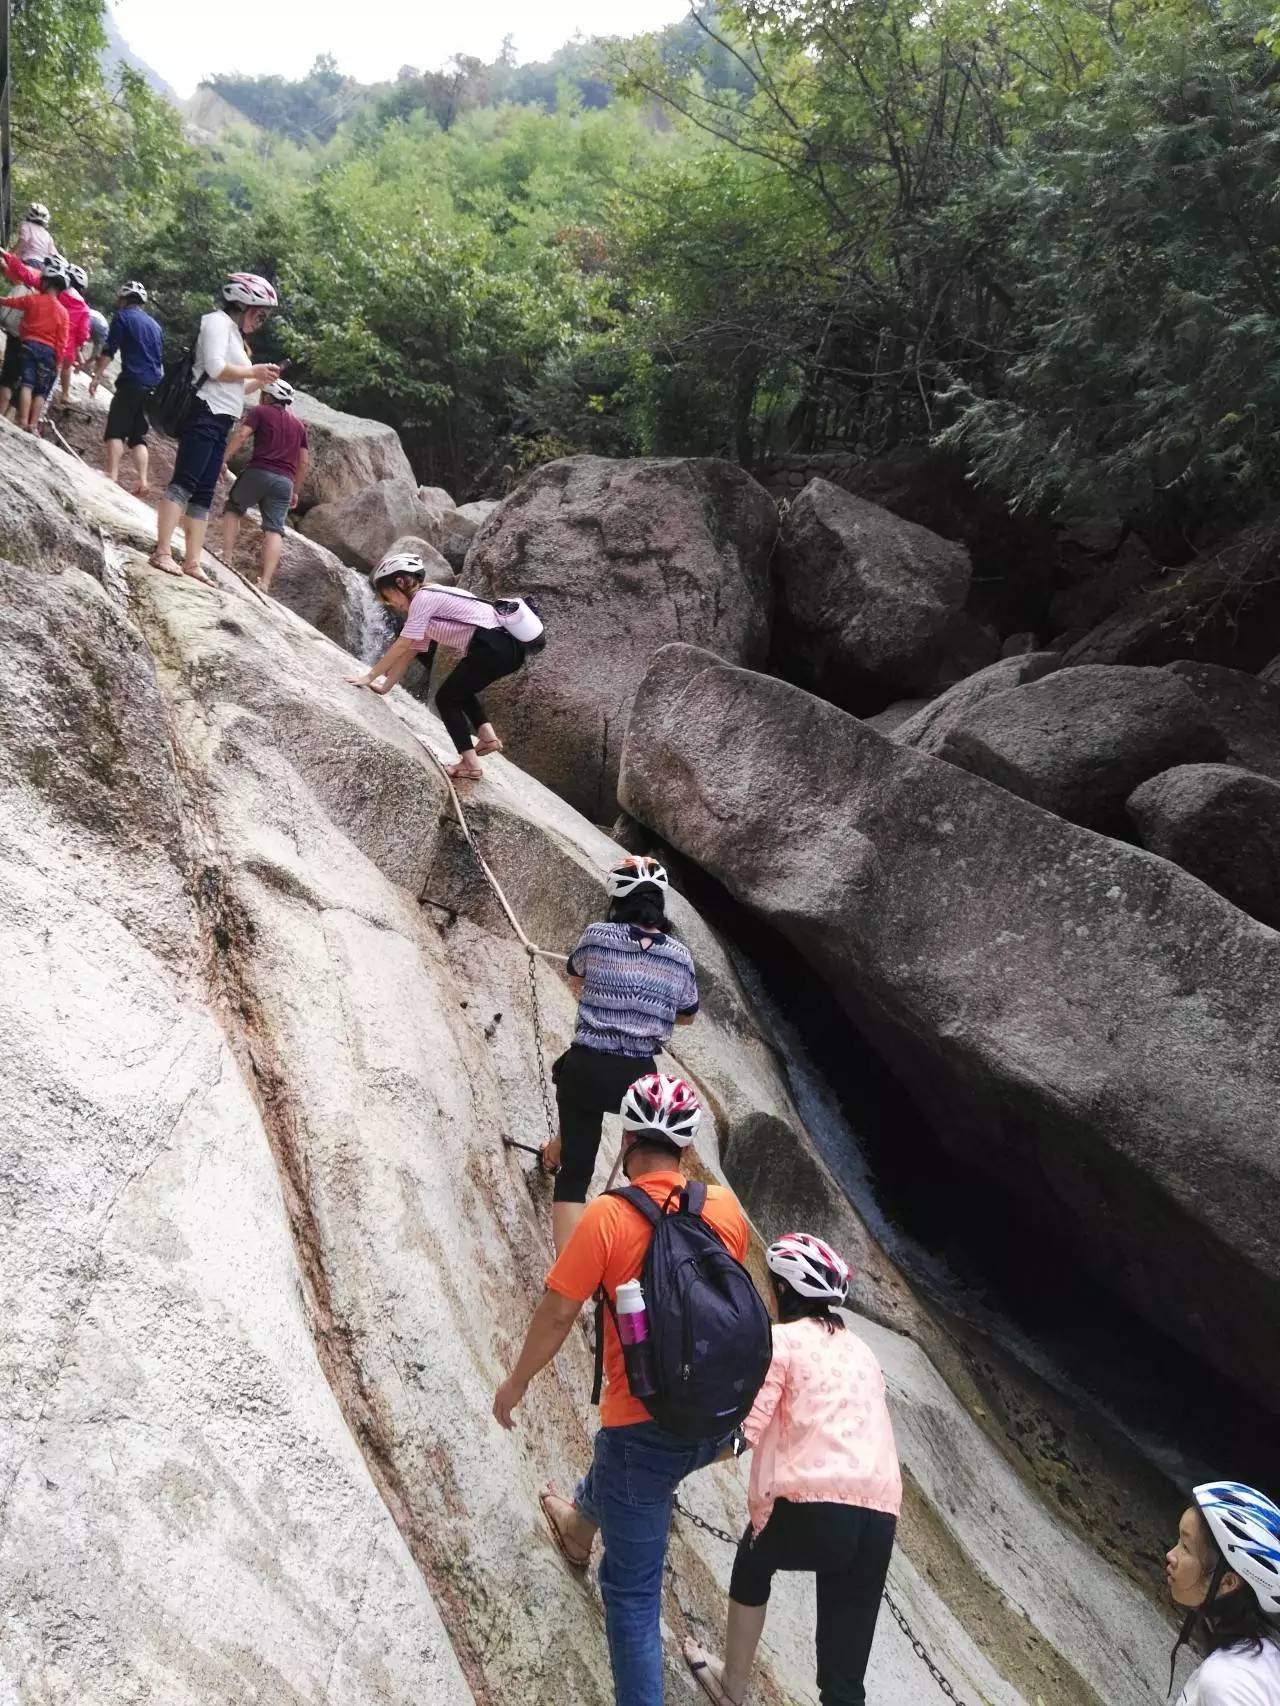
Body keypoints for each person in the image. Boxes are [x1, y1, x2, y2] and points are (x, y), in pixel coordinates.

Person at [494, 1074, 750, 1706]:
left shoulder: (609, 1215)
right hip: (717, 1421)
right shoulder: (723, 1211)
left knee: (632, 1595)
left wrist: (516, 1382)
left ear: (628, 1136)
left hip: (645, 1425)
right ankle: (580, 1525)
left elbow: (557, 1313)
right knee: (621, 1466)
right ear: (688, 1149)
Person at [683, 1233, 901, 1706]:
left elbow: (744, 1432)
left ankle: (732, 1686)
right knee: (843, 1683)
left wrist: (679, 1461)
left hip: (814, 1505)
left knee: (753, 1563)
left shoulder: (781, 1341)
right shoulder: (864, 1354)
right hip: (880, 1516)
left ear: (783, 1290)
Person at [542, 856, 699, 1255]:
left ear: (617, 899)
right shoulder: (679, 956)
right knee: (640, 1177)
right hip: (639, 1081)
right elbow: (687, 1014)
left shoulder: (598, 935)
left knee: (576, 1172)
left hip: (588, 1066)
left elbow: (575, 973)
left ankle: (567, 1277)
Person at [151, 272, 281, 583]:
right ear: (243, 303)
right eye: (259, 314)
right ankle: (163, 551)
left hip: (222, 417)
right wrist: (252, 369)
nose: (260, 321)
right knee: (184, 482)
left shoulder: (236, 336)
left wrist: (260, 379)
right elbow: (214, 368)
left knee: (205, 492)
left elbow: (237, 385)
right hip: (204, 411)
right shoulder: (215, 322)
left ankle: (193, 561)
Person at [348, 552, 525, 780]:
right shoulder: (432, 598)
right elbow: (410, 650)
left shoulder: (423, 599)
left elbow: (401, 645)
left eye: (387, 595)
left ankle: (470, 765)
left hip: (493, 644)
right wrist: (385, 686)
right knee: (459, 690)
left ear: (400, 583)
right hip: (509, 648)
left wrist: (369, 676)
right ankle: (487, 737)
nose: (390, 603)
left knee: (446, 699)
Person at [1166, 1482, 1280, 1704]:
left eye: (1186, 1548)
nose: (1171, 1555)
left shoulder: (1225, 1683)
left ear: (1227, 1582)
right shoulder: (1261, 1657)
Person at [219, 377, 310, 592]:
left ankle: (227, 557)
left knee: (234, 509)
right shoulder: (299, 425)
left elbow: (242, 434)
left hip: (259, 471)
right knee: (275, 529)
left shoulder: (261, 412)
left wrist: (222, 460)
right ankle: (265, 582)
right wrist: (295, 491)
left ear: (267, 396)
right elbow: (304, 461)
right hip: (285, 482)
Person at [90, 280, 164, 497]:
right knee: (138, 435)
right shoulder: (155, 326)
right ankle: (143, 481)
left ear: (123, 299)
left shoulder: (123, 317)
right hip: (152, 386)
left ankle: (111, 474)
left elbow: (110, 349)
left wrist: (96, 376)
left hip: (131, 382)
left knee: (115, 429)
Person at [0, 257, 70, 433]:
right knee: (41, 391)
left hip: (29, 346)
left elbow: (11, 302)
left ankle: (22, 420)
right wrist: (59, 360)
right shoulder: (64, 313)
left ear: (45, 283)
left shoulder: (33, 300)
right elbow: (62, 340)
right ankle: (33, 425)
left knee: (27, 384)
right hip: (49, 353)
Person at [17, 202, 56, 267]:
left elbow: (23, 239)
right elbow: (53, 253)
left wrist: (11, 254)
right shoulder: (47, 235)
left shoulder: (26, 225)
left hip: (29, 261)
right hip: (43, 266)